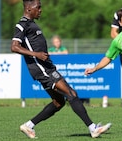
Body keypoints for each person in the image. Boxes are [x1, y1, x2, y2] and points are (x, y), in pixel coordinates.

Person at [10, 0, 111, 139]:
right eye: (38, 7)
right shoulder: (22, 25)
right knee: (72, 94)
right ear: (28, 8)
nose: (40, 10)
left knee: (59, 102)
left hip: (46, 67)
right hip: (41, 68)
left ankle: (28, 125)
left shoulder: (32, 24)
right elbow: (14, 47)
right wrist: (36, 54)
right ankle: (93, 128)